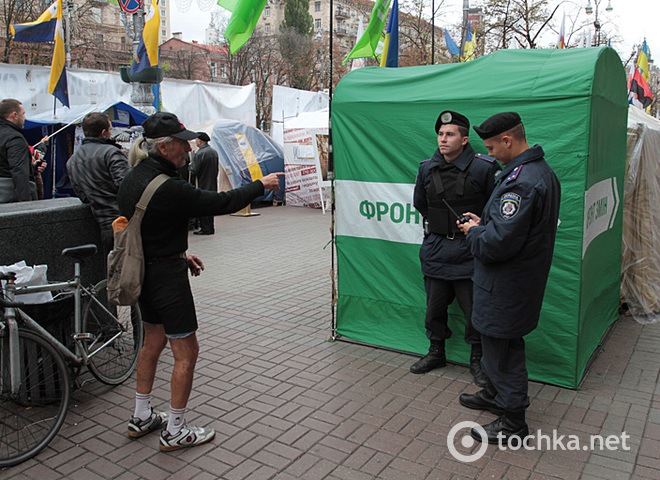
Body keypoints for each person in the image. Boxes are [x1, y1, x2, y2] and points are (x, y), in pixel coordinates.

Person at [118, 112, 283, 451]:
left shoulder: (133, 177)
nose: (188, 147)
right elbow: (220, 202)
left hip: (144, 272)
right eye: (182, 142)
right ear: (164, 147)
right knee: (186, 351)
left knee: (152, 341)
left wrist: (179, 253)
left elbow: (151, 230)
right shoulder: (170, 187)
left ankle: (141, 415)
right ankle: (175, 429)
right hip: (166, 279)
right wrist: (259, 185)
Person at [457, 112, 561, 445]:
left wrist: (474, 232)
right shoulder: (537, 172)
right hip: (516, 284)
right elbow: (515, 230)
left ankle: (513, 422)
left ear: (508, 140)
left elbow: (497, 244)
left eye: (491, 147)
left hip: (505, 287)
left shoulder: (523, 181)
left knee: (503, 355)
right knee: (499, 349)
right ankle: (494, 395)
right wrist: (484, 221)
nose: (488, 154)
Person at [411, 110, 500, 387]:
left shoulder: (485, 167)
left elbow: (496, 209)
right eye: (440, 134)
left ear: (464, 139)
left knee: (475, 310)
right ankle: (436, 351)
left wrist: (477, 226)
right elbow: (421, 204)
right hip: (437, 248)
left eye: (450, 134)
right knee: (434, 308)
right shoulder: (427, 168)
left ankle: (478, 360)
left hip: (470, 250)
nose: (443, 139)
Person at [66, 112, 130, 256]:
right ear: (103, 132)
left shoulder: (73, 160)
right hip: (122, 222)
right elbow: (127, 187)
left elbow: (83, 195)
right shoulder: (112, 153)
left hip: (102, 223)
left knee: (113, 271)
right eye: (110, 129)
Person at [0, 98, 43, 203]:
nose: (25, 117)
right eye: (23, 114)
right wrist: (26, 205)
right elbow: (19, 172)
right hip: (10, 198)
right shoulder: (15, 138)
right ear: (14, 115)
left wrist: (31, 167)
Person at [189, 131, 219, 235]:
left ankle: (205, 228)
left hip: (202, 184)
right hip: (212, 183)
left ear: (200, 141)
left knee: (203, 206)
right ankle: (210, 227)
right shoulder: (213, 152)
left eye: (196, 139)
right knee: (210, 207)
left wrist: (190, 164)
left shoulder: (200, 153)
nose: (195, 141)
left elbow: (194, 170)